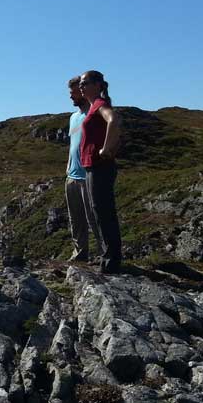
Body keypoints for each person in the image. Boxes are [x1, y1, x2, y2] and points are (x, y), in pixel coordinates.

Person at [78, 70, 123, 273]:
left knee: (104, 213)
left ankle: (111, 261)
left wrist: (107, 148)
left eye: (85, 83)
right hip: (92, 167)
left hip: (99, 166)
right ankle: (107, 257)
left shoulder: (100, 105)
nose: (81, 87)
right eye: (81, 83)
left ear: (97, 85)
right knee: (99, 212)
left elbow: (114, 119)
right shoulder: (93, 106)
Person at [65, 76, 103, 262]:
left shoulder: (94, 113)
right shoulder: (73, 117)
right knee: (76, 219)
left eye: (73, 93)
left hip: (88, 175)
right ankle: (80, 253)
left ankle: (105, 253)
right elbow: (74, 143)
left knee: (94, 219)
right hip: (72, 175)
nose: (71, 97)